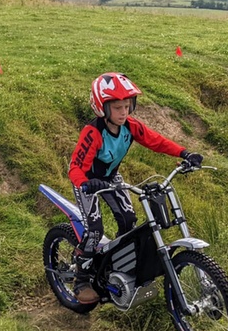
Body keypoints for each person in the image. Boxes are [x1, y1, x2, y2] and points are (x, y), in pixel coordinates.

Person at [68, 72, 204, 304]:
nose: (124, 112)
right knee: (94, 231)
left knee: (128, 221)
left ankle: (118, 268)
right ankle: (81, 280)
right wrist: (85, 183)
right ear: (102, 108)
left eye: (127, 106)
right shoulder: (93, 133)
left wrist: (184, 153)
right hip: (89, 183)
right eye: (118, 107)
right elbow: (75, 168)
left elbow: (156, 140)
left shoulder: (130, 127)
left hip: (111, 178)